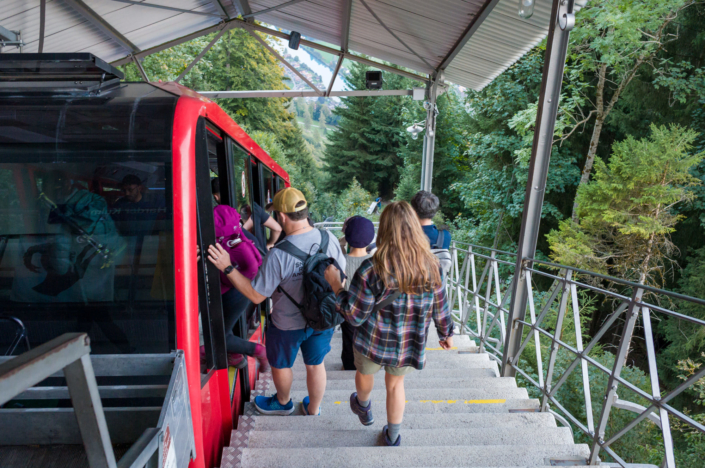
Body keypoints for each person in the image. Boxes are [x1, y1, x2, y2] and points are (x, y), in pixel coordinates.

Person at [206, 187, 346, 416]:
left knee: (282, 364)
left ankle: (283, 403)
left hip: (287, 324)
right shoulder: (328, 238)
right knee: (315, 363)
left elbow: (256, 295)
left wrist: (227, 267)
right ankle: (313, 408)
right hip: (323, 317)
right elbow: (341, 277)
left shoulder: (278, 254)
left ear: (281, 216)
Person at [324, 201, 454, 446]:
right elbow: (441, 303)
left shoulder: (371, 269)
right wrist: (446, 332)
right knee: (395, 385)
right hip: (408, 341)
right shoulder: (432, 266)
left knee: (364, 373)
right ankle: (393, 436)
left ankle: (363, 406)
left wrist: (336, 286)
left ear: (383, 229)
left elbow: (354, 316)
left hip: (371, 340)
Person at [202, 204, 268, 370]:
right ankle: (236, 357)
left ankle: (258, 350)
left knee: (219, 334)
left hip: (238, 292)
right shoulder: (234, 234)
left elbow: (252, 269)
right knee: (222, 328)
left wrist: (229, 270)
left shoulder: (234, 246)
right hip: (230, 290)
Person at [339, 216, 375, 371]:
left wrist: (345, 235)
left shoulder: (340, 261)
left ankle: (349, 363)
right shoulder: (375, 262)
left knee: (348, 338)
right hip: (371, 310)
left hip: (347, 307)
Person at [211, 177, 282, 252]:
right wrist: (269, 244)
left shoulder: (218, 217)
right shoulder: (254, 207)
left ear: (216, 197)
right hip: (260, 257)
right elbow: (277, 229)